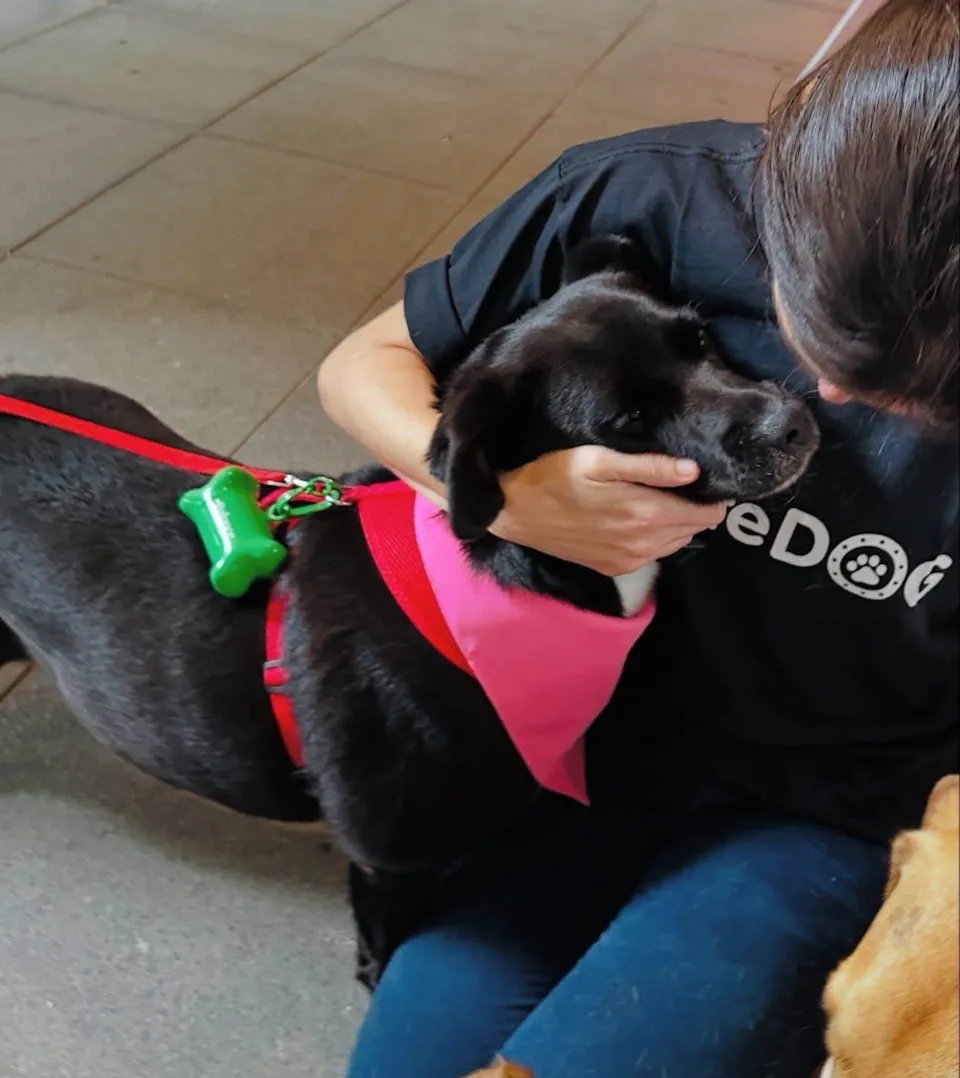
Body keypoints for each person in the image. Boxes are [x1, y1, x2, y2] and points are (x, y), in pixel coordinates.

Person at [318, 1, 959, 1075]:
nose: (835, 394)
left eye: (921, 395)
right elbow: (359, 367)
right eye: (821, 330)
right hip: (592, 745)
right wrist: (503, 499)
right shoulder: (651, 193)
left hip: (836, 805)